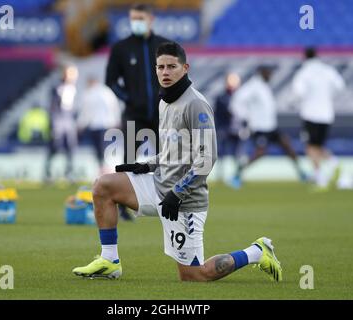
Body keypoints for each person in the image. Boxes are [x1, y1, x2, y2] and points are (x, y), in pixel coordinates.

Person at [72, 42, 282, 282]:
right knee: (103, 186)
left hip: (184, 201)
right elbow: (174, 151)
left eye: (172, 66)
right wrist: (148, 165)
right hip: (159, 187)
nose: (165, 72)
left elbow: (206, 158)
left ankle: (256, 251)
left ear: (185, 68)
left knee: (194, 275)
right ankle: (110, 261)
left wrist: (178, 192)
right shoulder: (165, 101)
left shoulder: (196, 105)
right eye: (160, 67)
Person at [105, 3, 170, 219]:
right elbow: (111, 81)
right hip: (135, 114)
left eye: (140, 18)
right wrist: (129, 99)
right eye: (133, 18)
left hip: (162, 114)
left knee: (168, 157)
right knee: (130, 159)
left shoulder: (164, 46)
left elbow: (176, 77)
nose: (136, 22)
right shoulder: (121, 48)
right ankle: (123, 205)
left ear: (151, 19)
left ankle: (170, 202)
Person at [230, 65, 307, 189]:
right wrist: (245, 117)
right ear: (261, 73)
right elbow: (237, 101)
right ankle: (237, 174)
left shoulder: (264, 86)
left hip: (271, 127)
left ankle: (302, 173)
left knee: (287, 145)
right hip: (259, 128)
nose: (271, 76)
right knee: (260, 153)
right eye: (268, 73)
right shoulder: (253, 86)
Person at [292, 47, 346, 188]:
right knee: (318, 145)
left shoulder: (304, 72)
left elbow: (298, 92)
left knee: (310, 147)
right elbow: (340, 86)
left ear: (305, 57)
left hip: (310, 114)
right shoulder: (327, 70)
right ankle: (334, 164)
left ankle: (320, 177)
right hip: (326, 114)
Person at [77, 77, 122, 175]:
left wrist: (81, 124)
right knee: (104, 148)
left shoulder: (89, 94)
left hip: (96, 126)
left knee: (100, 149)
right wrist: (116, 120)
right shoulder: (106, 92)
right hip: (106, 125)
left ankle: (103, 167)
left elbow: (86, 112)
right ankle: (104, 167)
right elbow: (114, 107)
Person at [45, 65, 79, 182]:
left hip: (68, 119)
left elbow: (72, 107)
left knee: (71, 148)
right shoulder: (57, 87)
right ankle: (48, 174)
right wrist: (54, 124)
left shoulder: (73, 88)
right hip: (58, 120)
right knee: (55, 146)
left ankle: (69, 173)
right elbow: (53, 107)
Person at [213, 72, 248, 182]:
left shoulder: (242, 97)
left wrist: (245, 127)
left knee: (238, 153)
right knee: (221, 153)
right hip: (225, 128)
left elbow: (245, 114)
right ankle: (220, 175)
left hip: (237, 129)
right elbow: (218, 114)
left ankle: (238, 175)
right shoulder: (222, 97)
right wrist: (219, 128)